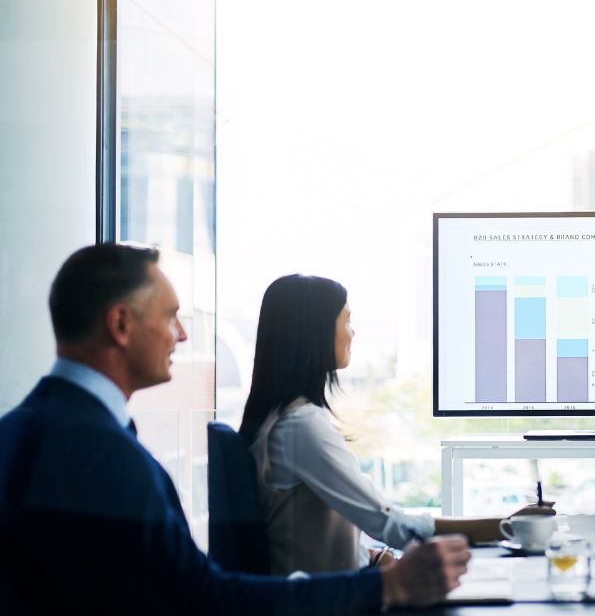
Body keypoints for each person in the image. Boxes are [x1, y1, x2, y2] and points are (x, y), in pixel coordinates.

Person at [0, 244, 469, 615]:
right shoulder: (109, 458)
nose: (181, 335)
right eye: (170, 316)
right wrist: (386, 586)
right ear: (121, 324)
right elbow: (200, 600)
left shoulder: (16, 433)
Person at [238, 274, 553, 575]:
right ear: (316, 331)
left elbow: (319, 528)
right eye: (346, 320)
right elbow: (392, 526)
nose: (352, 332)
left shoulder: (281, 419)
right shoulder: (300, 426)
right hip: (332, 602)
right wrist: (509, 525)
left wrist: (374, 558)